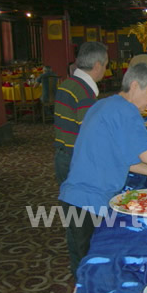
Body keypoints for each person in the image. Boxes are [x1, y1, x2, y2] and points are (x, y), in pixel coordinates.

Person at [59, 63, 147, 277]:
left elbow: (120, 156)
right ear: (134, 85)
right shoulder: (125, 110)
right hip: (87, 199)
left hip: (78, 198)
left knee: (87, 263)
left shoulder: (104, 104)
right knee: (90, 271)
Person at [54, 41, 108, 185]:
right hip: (76, 159)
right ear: (97, 65)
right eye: (105, 65)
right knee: (82, 205)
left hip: (62, 154)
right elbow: (90, 135)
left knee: (69, 203)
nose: (105, 69)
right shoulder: (85, 93)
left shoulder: (67, 84)